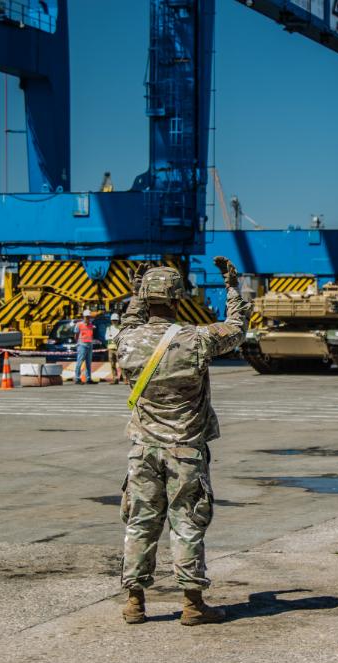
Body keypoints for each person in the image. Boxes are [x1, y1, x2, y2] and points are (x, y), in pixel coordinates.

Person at [116, 257, 248, 626]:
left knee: (140, 521)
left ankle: (134, 602)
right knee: (187, 522)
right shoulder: (196, 339)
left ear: (146, 298)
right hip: (186, 449)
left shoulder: (127, 340)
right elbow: (237, 328)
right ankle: (192, 603)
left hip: (143, 449)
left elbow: (129, 320)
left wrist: (136, 291)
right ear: (177, 299)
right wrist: (232, 287)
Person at [74, 310, 98, 384]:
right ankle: (77, 378)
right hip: (82, 345)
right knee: (79, 362)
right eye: (86, 317)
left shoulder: (91, 325)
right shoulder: (79, 324)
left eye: (88, 317)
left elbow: (91, 334)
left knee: (88, 363)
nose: (87, 318)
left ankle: (88, 378)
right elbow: (76, 335)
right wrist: (78, 343)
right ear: (83, 317)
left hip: (89, 344)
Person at [105, 312, 122, 384]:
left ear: (118, 320)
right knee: (112, 364)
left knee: (121, 364)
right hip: (111, 348)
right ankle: (115, 378)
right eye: (113, 320)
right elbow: (107, 338)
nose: (114, 321)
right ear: (111, 321)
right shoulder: (108, 328)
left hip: (119, 348)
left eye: (116, 320)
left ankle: (124, 378)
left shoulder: (121, 328)